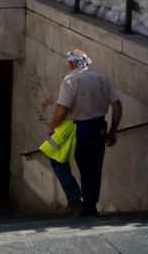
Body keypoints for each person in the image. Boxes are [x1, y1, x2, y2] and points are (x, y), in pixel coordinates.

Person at [46, 49, 123, 217]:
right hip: (99, 128)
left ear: (72, 63)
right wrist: (114, 131)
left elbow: (62, 110)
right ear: (87, 63)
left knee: (55, 157)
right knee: (92, 169)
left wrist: (52, 127)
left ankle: (74, 198)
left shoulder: (70, 80)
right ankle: (91, 208)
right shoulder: (102, 78)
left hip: (78, 129)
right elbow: (117, 105)